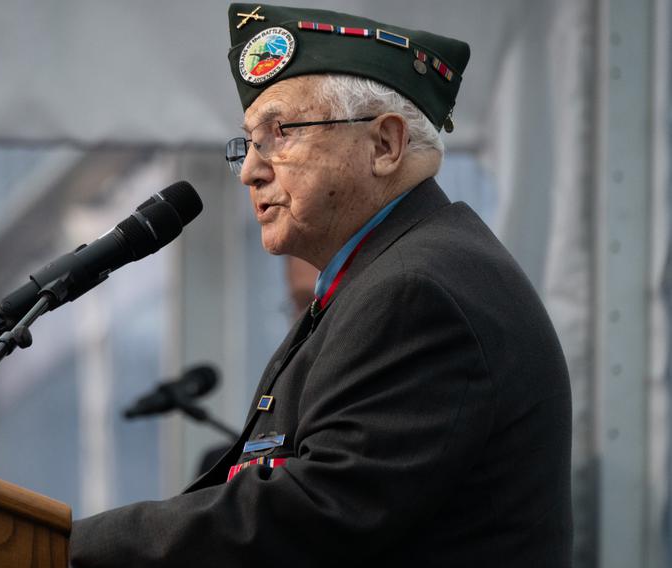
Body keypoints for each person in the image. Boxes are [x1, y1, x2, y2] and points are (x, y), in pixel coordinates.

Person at [70, 4, 572, 566]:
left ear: (385, 146)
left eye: (280, 135)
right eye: (249, 143)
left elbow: (313, 517)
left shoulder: (416, 291)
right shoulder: (391, 275)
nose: (250, 171)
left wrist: (64, 547)